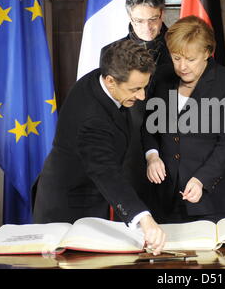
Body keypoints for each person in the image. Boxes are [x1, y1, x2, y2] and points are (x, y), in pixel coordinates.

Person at [33, 39, 166, 255]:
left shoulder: (105, 74)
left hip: (94, 199)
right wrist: (145, 220)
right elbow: (105, 172)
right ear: (111, 81)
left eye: (144, 86)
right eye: (136, 89)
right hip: (67, 210)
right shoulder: (91, 119)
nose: (142, 96)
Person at [142, 15, 225, 223]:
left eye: (190, 59)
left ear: (207, 53)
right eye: (176, 57)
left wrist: (201, 180)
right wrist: (152, 156)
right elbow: (149, 127)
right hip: (167, 197)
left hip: (216, 199)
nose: (182, 67)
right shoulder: (162, 76)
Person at [103, 0, 172, 211]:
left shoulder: (181, 49)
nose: (148, 27)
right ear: (129, 17)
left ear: (162, 13)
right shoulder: (111, 53)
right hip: (129, 153)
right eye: (139, 20)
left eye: (153, 19)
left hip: (175, 149)